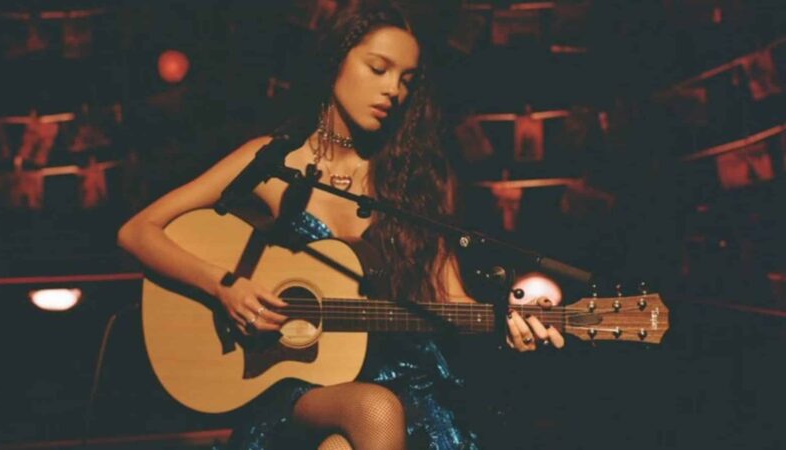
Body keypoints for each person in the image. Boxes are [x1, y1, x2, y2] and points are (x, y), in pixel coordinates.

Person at [117, 3, 565, 449]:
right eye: (378, 68)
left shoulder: (420, 178)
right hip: (295, 384)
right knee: (375, 409)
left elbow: (449, 298)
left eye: (407, 80)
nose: (394, 90)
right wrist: (226, 286)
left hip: (405, 382)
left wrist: (507, 324)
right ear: (337, 61)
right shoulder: (275, 161)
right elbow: (138, 231)